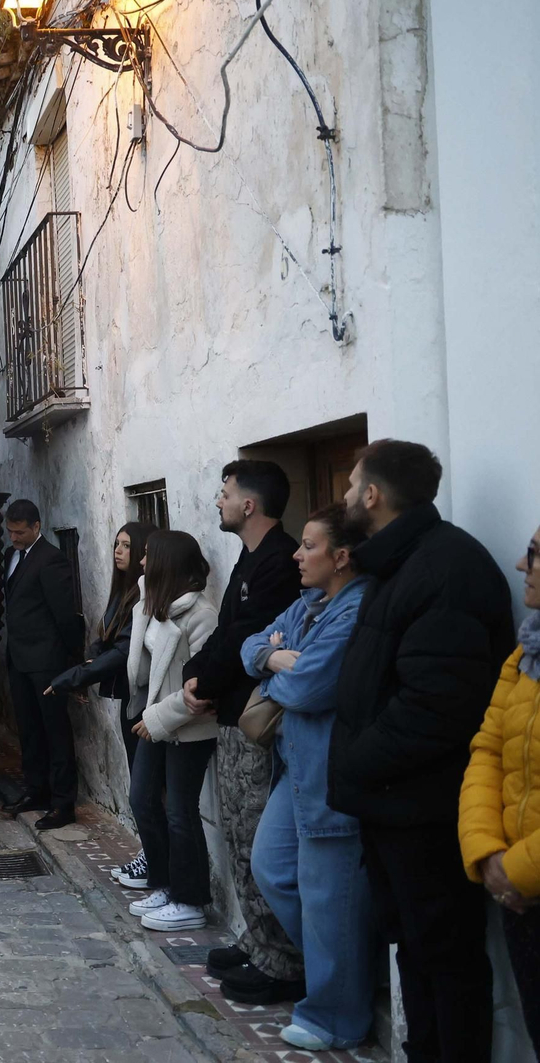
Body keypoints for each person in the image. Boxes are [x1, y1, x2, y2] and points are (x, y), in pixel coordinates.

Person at [329, 440, 514, 1061]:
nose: (345, 497)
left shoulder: (445, 568)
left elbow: (436, 708)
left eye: (351, 486)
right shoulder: (400, 564)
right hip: (394, 802)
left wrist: (353, 762)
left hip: (426, 807)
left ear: (373, 495)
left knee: (446, 956)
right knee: (415, 946)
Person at [242, 504, 375, 1051]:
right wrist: (276, 659)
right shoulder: (307, 604)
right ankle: (342, 971)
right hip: (294, 767)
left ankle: (335, 1014)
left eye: (310, 546)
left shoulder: (355, 611)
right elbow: (251, 646)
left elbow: (310, 688)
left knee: (328, 897)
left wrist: (276, 672)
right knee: (272, 869)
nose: (298, 554)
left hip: (328, 774)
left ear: (341, 557)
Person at [179, 460, 305, 1002]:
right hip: (230, 714)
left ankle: (282, 961)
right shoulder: (251, 557)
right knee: (235, 832)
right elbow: (227, 631)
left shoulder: (280, 561)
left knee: (257, 840)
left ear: (248, 504)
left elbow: (247, 638)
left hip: (257, 721)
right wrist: (194, 674)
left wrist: (204, 682)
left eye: (225, 493)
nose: (218, 501)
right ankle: (258, 941)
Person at [460, 520, 540, 1056]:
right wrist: (486, 850)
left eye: (533, 554)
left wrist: (518, 870)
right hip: (519, 894)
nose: (520, 566)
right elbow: (488, 748)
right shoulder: (526, 652)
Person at [44, 522, 157, 879]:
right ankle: (151, 855)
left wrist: (75, 677)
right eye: (116, 544)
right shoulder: (123, 592)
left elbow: (122, 652)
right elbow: (105, 638)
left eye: (127, 546)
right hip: (128, 698)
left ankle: (156, 860)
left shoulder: (145, 596)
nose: (118, 551)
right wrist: (89, 662)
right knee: (140, 785)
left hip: (147, 701)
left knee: (148, 790)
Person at [124, 531, 219, 933]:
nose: (142, 563)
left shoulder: (201, 615)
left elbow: (204, 688)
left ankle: (190, 900)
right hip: (156, 719)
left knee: (180, 811)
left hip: (186, 727)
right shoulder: (157, 607)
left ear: (166, 563)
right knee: (142, 798)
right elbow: (143, 670)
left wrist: (159, 718)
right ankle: (163, 884)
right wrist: (144, 607)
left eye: (148, 556)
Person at [0, 499, 84, 831]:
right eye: (10, 531)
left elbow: (65, 614)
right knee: (29, 729)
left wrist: (74, 660)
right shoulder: (11, 556)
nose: (14, 538)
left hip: (47, 661)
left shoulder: (51, 559)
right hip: (20, 658)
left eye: (20, 532)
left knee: (55, 731)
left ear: (36, 527)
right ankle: (36, 790)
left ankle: (63, 803)